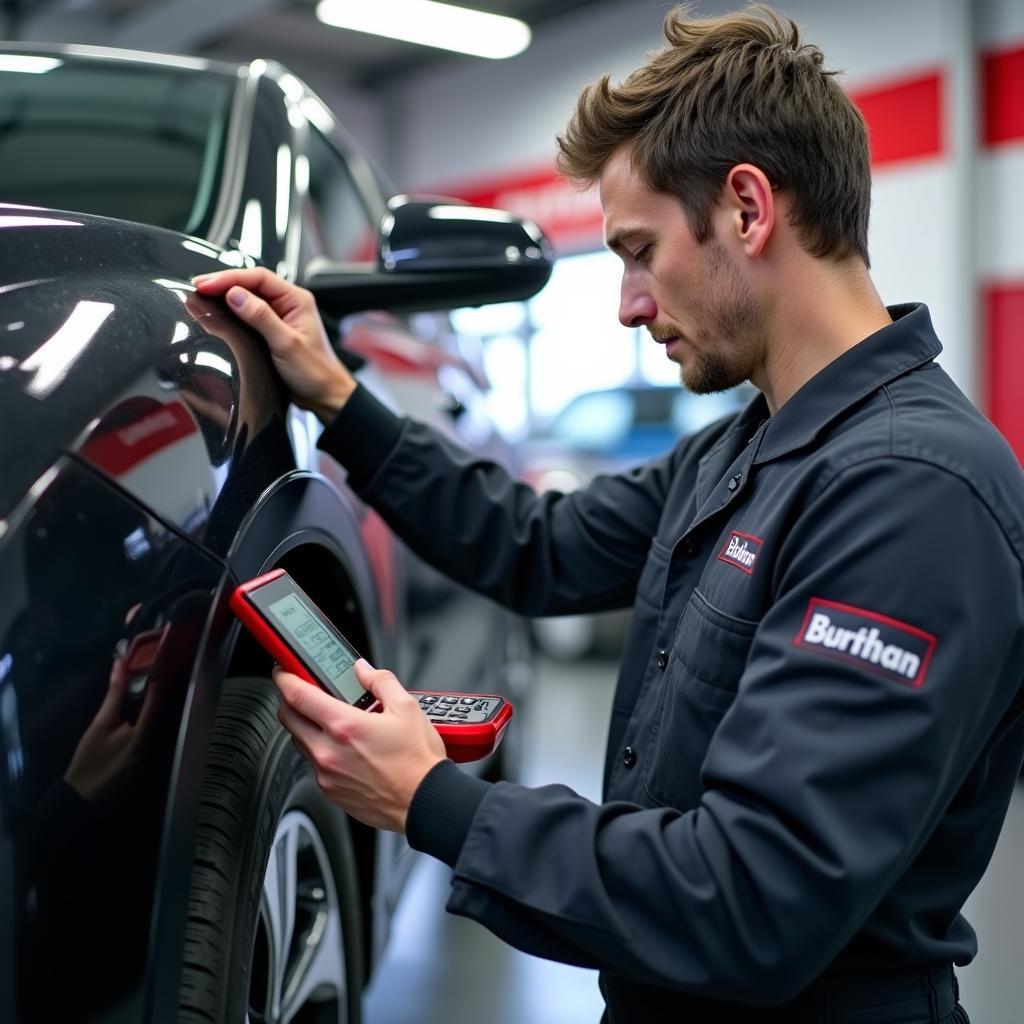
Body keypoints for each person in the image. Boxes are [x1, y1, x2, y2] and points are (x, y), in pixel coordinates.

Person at [193, 4, 1024, 1021]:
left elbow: (751, 899)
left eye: (638, 250)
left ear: (749, 209)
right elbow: (533, 546)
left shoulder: (911, 493)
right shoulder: (740, 449)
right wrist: (338, 398)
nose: (628, 303)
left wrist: (435, 802)